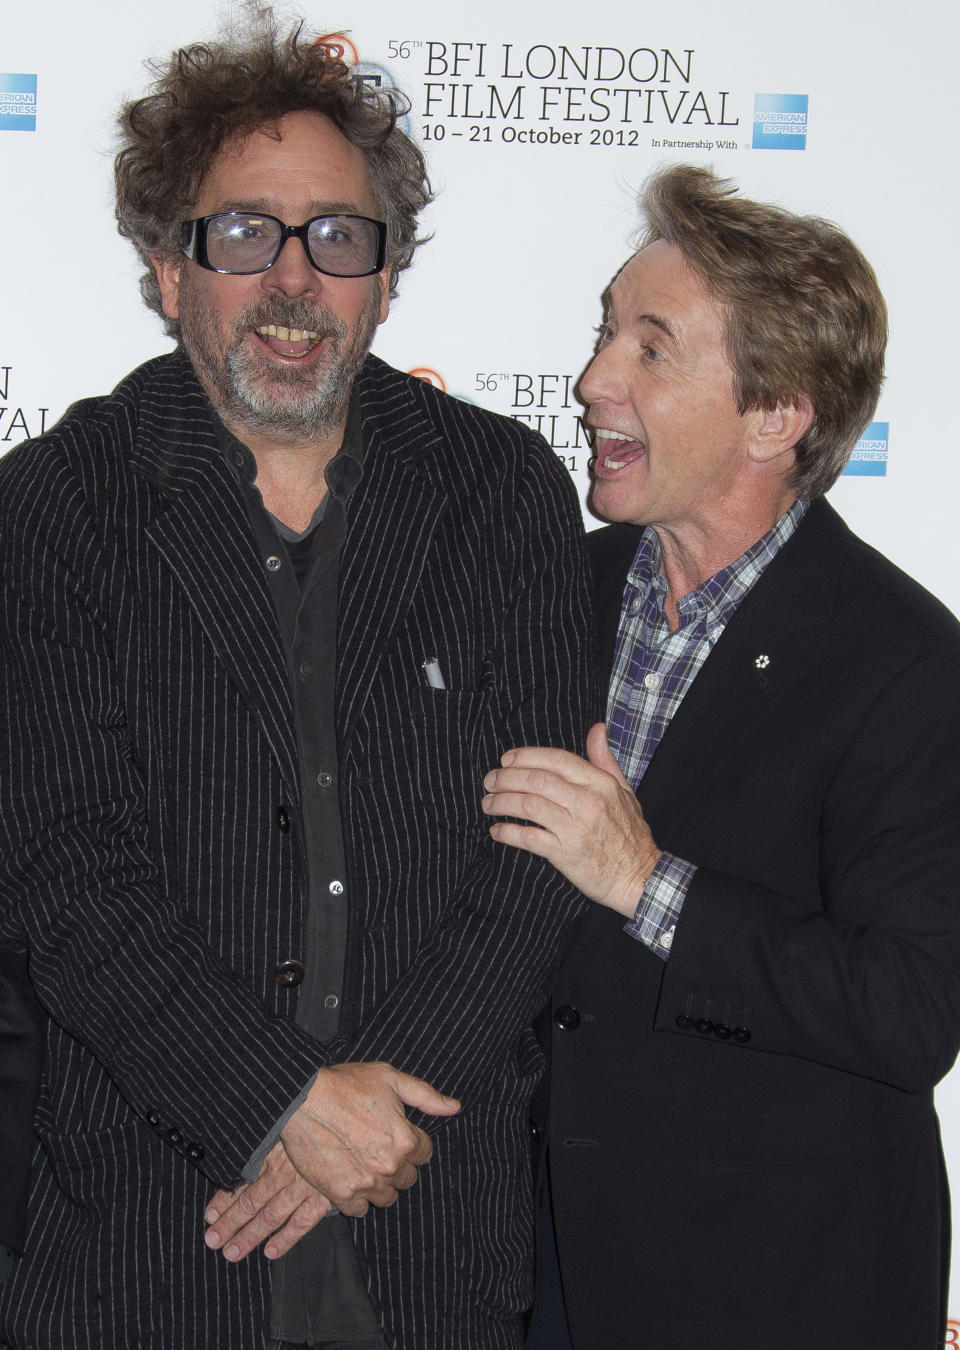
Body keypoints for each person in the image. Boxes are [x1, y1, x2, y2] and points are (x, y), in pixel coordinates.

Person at [0, 16, 594, 1350]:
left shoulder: (501, 491)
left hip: (430, 1243)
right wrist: (280, 1100)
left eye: (337, 237)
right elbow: (63, 869)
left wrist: (367, 1118)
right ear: (165, 268)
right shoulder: (54, 509)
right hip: (147, 1254)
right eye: (242, 234)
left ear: (386, 281)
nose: (292, 278)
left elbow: (536, 852)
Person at [482, 165, 960, 1349]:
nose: (594, 378)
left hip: (784, 1285)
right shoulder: (557, 601)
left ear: (776, 413)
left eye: (652, 348)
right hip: (541, 1271)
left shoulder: (903, 660)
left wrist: (651, 884)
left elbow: (910, 1012)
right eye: (605, 333)